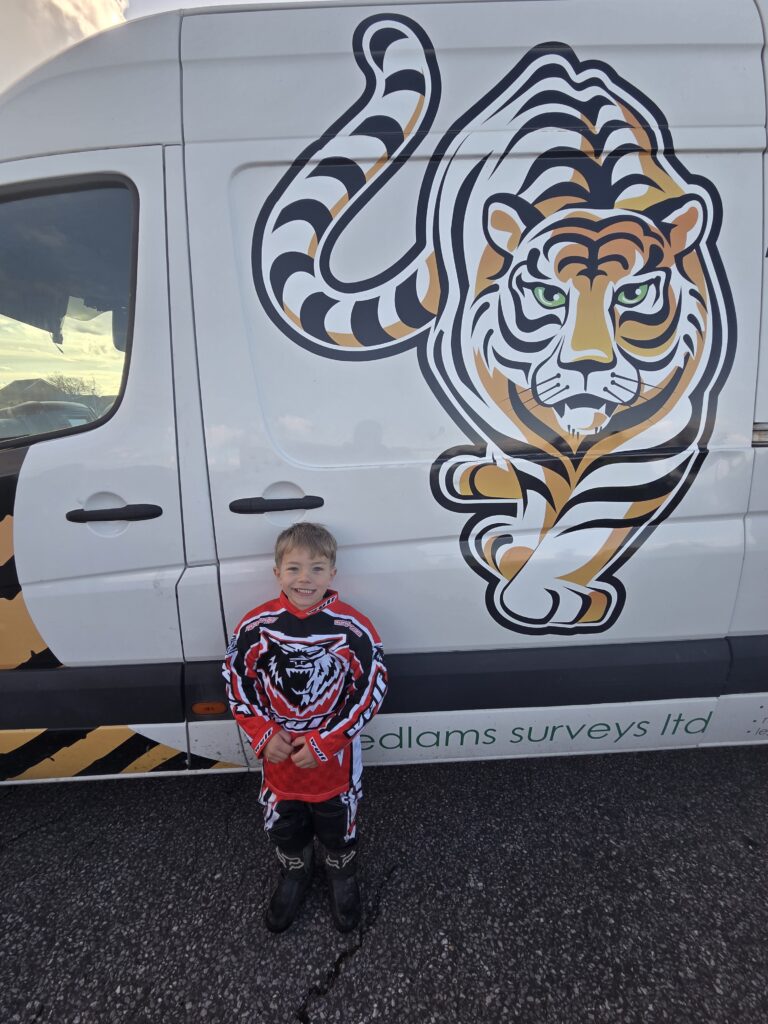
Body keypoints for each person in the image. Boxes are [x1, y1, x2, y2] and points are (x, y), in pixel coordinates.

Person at [222, 522, 388, 933]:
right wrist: (262, 732)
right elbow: (236, 679)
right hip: (278, 757)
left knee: (337, 825)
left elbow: (371, 688)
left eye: (316, 568)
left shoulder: (353, 628)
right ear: (277, 572)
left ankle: (342, 876)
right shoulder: (256, 625)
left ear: (333, 573)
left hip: (333, 760)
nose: (305, 579)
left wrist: (328, 742)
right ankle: (295, 872)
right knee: (284, 824)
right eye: (294, 568)